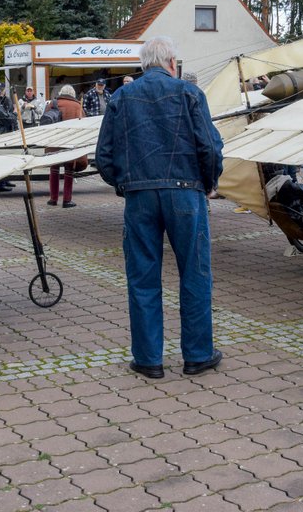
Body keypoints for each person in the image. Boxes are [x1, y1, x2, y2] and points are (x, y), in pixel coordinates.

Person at [96, 36, 224, 380]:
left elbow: (103, 157)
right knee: (195, 275)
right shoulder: (190, 93)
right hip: (186, 193)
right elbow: (210, 147)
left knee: (143, 278)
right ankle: (197, 355)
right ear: (171, 62)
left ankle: (149, 359)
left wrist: (124, 184)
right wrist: (209, 183)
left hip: (140, 196)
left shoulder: (121, 96)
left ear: (143, 65)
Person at [47, 85, 84, 208]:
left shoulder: (52, 104)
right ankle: (67, 200)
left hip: (54, 141)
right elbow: (83, 125)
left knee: (54, 169)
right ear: (73, 94)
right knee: (69, 170)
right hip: (71, 142)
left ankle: (53, 199)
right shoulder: (78, 106)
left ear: (61, 93)